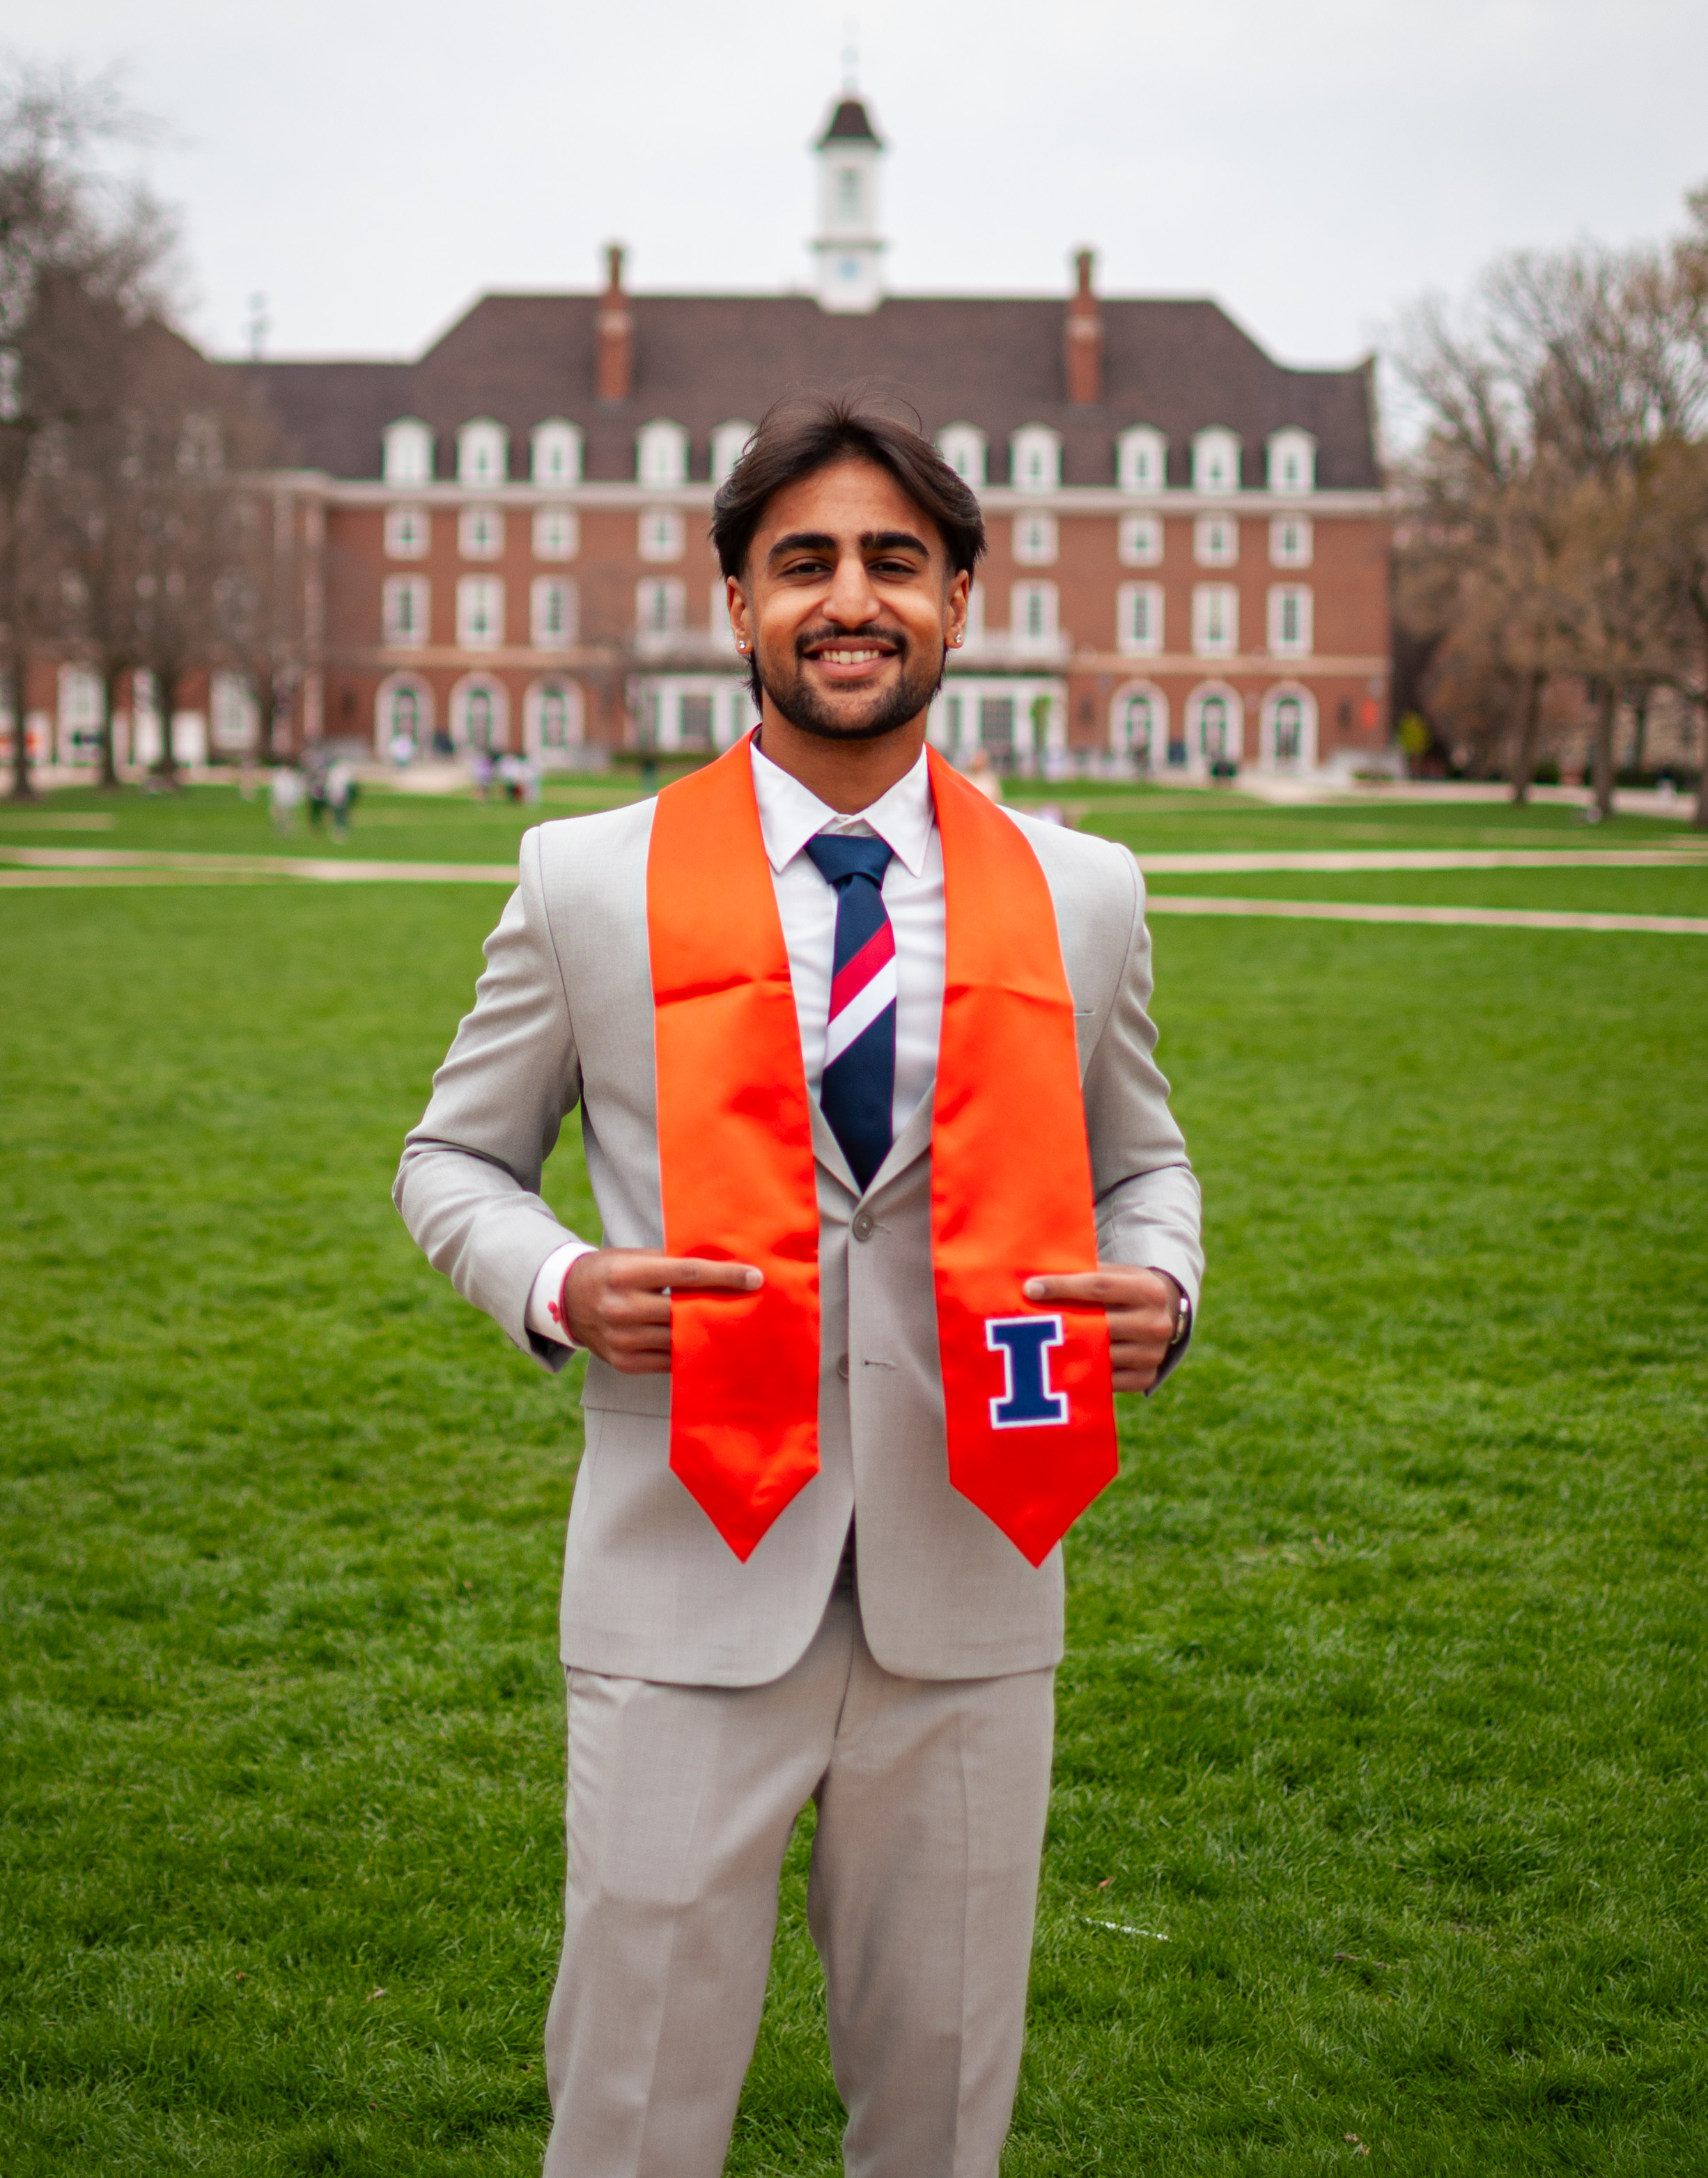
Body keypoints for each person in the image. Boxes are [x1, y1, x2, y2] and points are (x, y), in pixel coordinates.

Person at [395, 394, 1203, 2178]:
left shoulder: (1079, 892)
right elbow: (448, 1159)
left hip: (973, 1576)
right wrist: (560, 1281)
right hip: (685, 1580)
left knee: (940, 2116)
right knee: (631, 2114)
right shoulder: (586, 878)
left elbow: (1142, 1163)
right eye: (805, 562)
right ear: (738, 603)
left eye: (894, 562)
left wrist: (1161, 1280)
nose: (851, 599)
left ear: (960, 599)